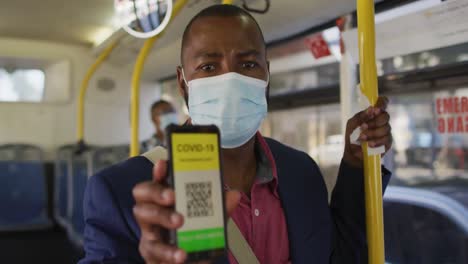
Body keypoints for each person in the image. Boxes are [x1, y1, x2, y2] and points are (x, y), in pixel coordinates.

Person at [79, 4, 393, 264]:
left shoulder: (301, 171)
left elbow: (340, 256)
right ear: (182, 82)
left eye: (248, 63)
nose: (231, 79)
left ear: (267, 77)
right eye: (208, 68)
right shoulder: (124, 191)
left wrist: (356, 166)